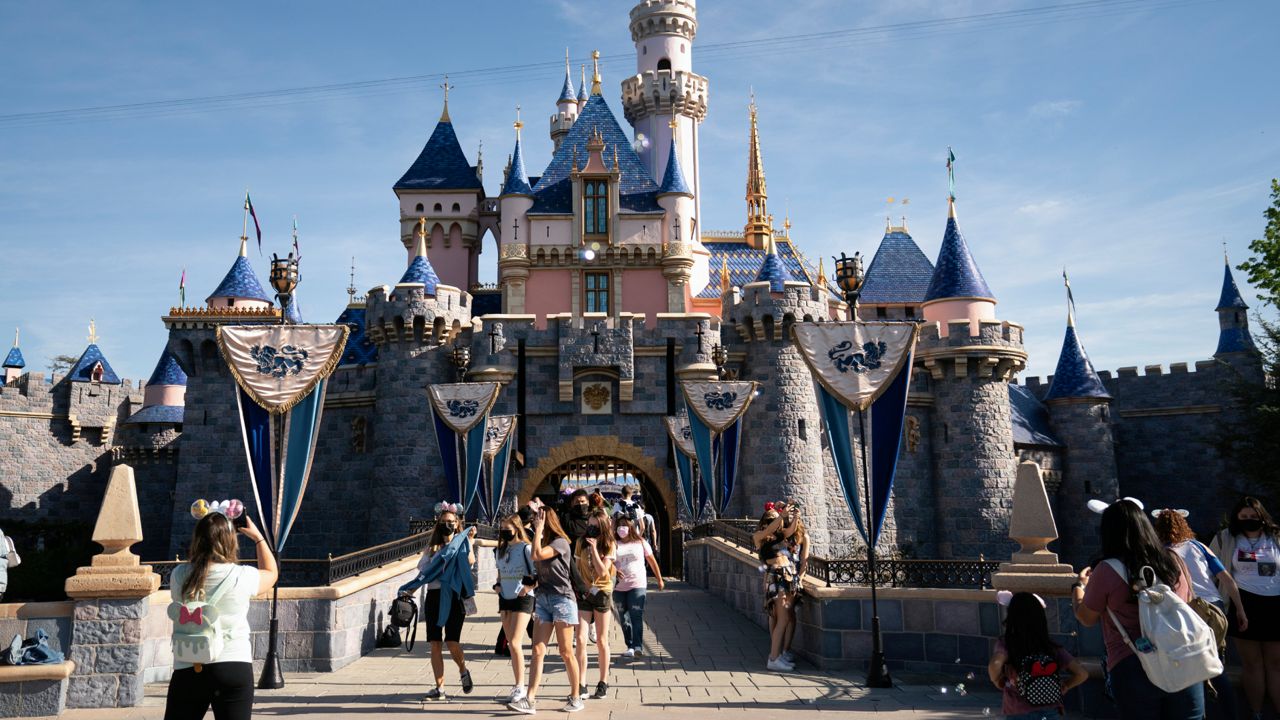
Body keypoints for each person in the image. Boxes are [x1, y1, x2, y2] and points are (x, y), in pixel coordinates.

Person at [1072, 499, 1204, 718]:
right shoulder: (1173, 561)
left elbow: (1086, 618)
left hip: (1132, 662)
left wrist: (1079, 587)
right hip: (1183, 657)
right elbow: (1188, 601)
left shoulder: (1108, 569)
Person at [164, 512, 278, 720]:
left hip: (189, 663)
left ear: (197, 540)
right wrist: (258, 538)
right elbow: (271, 572)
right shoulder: (242, 576)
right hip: (232, 663)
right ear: (230, 541)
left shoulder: (179, 575)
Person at [1154, 508, 1246, 719]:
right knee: (1216, 665)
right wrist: (1240, 609)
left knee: (1191, 669)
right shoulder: (1198, 546)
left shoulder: (1159, 553)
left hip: (1185, 609)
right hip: (1213, 607)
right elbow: (1226, 579)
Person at [1210, 496, 1280, 720]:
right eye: (1244, 517)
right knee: (1251, 665)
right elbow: (1208, 567)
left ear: (1262, 516)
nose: (1249, 520)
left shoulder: (1276, 537)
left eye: (1253, 516)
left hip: (1275, 604)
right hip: (1242, 605)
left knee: (1276, 664)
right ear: (1237, 518)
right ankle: (1256, 713)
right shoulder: (1226, 538)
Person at [397, 507, 476, 703]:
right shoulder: (431, 549)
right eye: (443, 522)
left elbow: (470, 562)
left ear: (457, 524)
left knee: (452, 642)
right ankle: (440, 688)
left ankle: (463, 669)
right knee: (435, 644)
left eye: (451, 522)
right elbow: (424, 575)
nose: (447, 525)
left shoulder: (462, 544)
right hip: (434, 596)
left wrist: (470, 542)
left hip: (454, 597)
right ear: (438, 525)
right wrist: (410, 591)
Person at [509, 507, 582, 714]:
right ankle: (530, 699)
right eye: (534, 519)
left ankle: (576, 696)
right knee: (537, 650)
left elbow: (537, 555)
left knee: (566, 651)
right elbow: (537, 567)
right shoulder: (541, 541)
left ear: (547, 520)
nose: (534, 522)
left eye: (538, 518)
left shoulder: (560, 542)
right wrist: (529, 586)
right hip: (543, 600)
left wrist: (539, 530)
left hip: (563, 600)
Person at [988, 592, 1088, 719]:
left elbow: (995, 664)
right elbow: (1082, 674)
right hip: (1050, 711)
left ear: (1012, 617)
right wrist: (1066, 685)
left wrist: (997, 680)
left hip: (1018, 711)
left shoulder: (1007, 643)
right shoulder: (1051, 647)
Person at [492, 514, 535, 706]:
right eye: (502, 528)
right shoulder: (500, 550)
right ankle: (517, 684)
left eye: (507, 528)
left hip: (522, 599)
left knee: (516, 642)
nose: (504, 532)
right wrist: (497, 586)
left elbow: (537, 573)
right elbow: (500, 573)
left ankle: (521, 686)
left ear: (517, 528)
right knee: (510, 643)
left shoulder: (526, 548)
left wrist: (528, 588)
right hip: (505, 598)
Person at [574, 508, 616, 700]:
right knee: (581, 639)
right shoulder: (579, 542)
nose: (590, 529)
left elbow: (602, 573)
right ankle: (581, 683)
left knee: (601, 639)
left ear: (603, 527)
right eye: (589, 525)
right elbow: (575, 569)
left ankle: (603, 681)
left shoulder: (609, 544)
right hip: (584, 593)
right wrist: (578, 589)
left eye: (595, 526)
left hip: (602, 592)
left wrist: (594, 549)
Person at [753, 502, 799, 672]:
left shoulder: (778, 536)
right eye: (772, 520)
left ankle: (777, 656)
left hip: (786, 577)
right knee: (783, 618)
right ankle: (773, 658)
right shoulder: (759, 536)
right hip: (776, 578)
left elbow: (790, 531)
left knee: (784, 618)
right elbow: (769, 530)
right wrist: (780, 515)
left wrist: (795, 516)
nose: (777, 523)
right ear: (765, 521)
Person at [612, 515, 663, 658]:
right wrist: (614, 570)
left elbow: (652, 561)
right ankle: (630, 646)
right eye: (619, 525)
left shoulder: (640, 542)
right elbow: (607, 561)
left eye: (625, 525)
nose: (622, 528)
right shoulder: (613, 543)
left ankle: (638, 646)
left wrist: (659, 579)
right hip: (618, 588)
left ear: (631, 527)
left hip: (637, 584)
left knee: (636, 615)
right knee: (624, 618)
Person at [773, 505, 808, 664]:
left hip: (792, 577)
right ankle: (776, 653)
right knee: (777, 615)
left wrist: (800, 577)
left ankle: (784, 651)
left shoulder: (803, 537)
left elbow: (804, 561)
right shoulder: (781, 534)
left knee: (789, 616)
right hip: (778, 576)